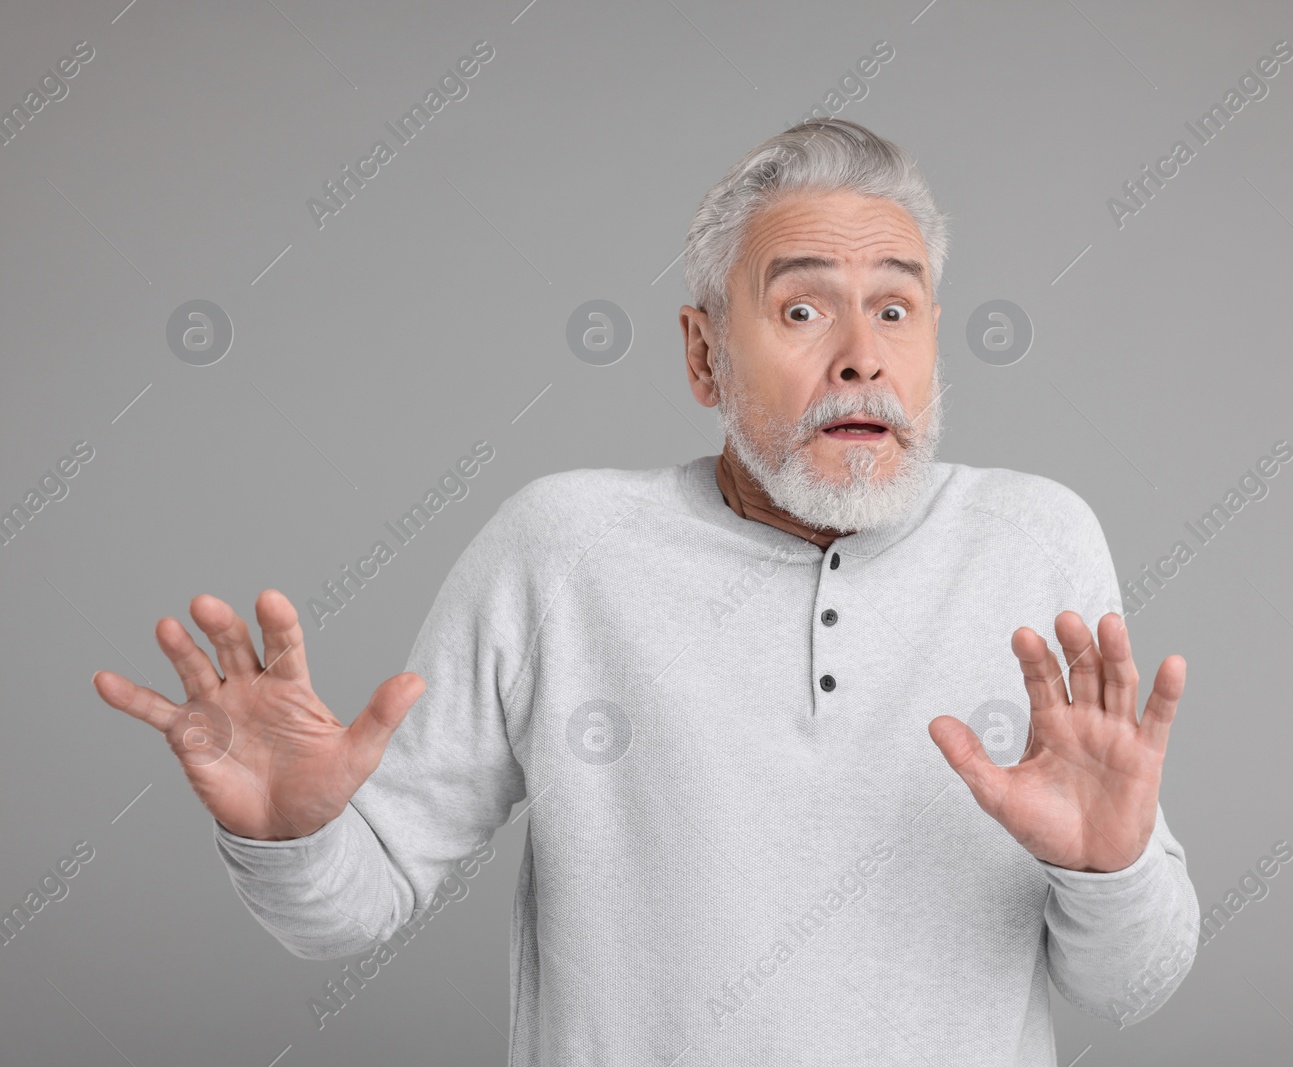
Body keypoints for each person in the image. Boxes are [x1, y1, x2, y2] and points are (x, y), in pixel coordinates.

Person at [92, 116, 1199, 1065]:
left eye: (896, 311)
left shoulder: (1033, 539)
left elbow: (1133, 978)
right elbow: (352, 905)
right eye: (804, 311)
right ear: (703, 355)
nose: (861, 355)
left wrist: (1109, 862)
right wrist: (290, 836)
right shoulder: (563, 545)